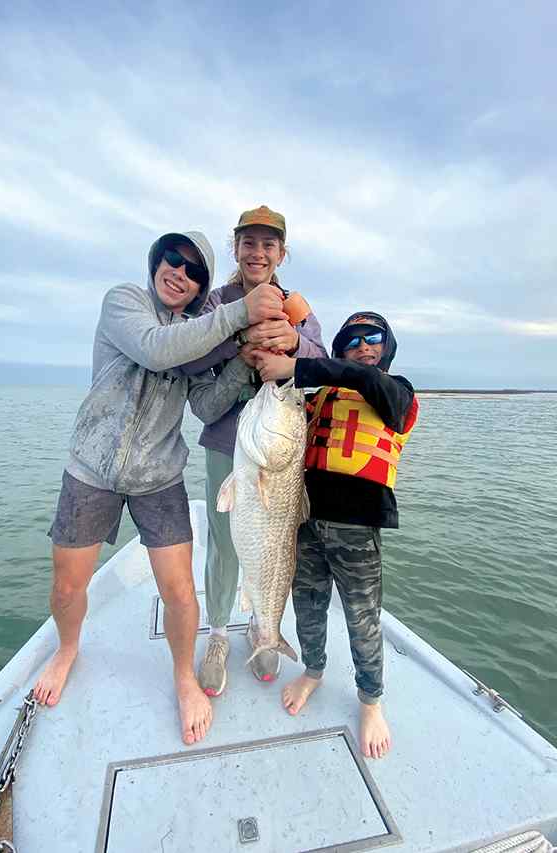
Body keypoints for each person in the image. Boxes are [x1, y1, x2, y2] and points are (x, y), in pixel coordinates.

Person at [33, 230, 288, 746]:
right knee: (66, 587)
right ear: (156, 262)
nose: (181, 272)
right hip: (92, 470)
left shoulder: (198, 332)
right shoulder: (124, 301)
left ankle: (183, 678)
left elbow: (207, 406)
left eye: (195, 271)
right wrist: (239, 317)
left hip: (160, 477)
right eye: (174, 260)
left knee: (178, 591)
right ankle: (67, 649)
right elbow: (154, 350)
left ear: (200, 288)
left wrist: (244, 361)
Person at [255, 311, 418, 759]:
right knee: (307, 607)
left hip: (358, 530)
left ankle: (370, 701)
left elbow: (353, 376)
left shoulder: (398, 393)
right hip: (303, 523)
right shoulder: (318, 398)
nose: (365, 347)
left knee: (361, 620)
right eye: (353, 341)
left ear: (387, 348)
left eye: (374, 339)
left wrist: (303, 365)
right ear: (341, 348)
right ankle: (313, 670)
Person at [181, 206, 326, 697]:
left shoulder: (297, 308)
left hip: (281, 451)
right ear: (235, 248)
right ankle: (219, 634)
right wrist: (240, 344)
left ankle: (265, 633)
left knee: (277, 544)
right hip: (230, 445)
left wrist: (294, 343)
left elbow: (323, 362)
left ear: (282, 253)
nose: (257, 252)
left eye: (268, 244)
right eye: (248, 242)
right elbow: (191, 353)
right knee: (223, 544)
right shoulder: (214, 303)